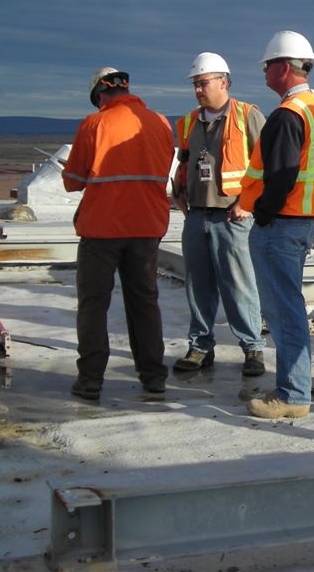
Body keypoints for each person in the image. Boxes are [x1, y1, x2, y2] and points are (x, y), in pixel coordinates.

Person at [236, 30, 314, 419]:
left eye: (267, 65)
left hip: (282, 224)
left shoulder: (288, 115)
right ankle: (295, 387)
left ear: (283, 67)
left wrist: (262, 212)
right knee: (287, 306)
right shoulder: (313, 107)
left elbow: (281, 175)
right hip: (300, 221)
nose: (264, 71)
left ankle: (293, 396)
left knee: (283, 310)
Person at [62, 67, 174, 401]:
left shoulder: (94, 124)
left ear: (100, 94)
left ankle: (91, 380)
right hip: (147, 228)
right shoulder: (160, 123)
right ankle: (153, 376)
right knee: (144, 302)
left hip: (102, 230)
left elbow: (73, 180)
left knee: (94, 304)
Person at [170, 52, 268, 376]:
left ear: (223, 82)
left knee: (239, 285)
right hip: (196, 216)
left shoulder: (247, 117)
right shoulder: (187, 123)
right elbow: (184, 162)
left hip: (232, 217)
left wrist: (247, 203)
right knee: (198, 286)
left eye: (204, 83)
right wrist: (178, 193)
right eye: (195, 84)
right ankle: (200, 347)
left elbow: (265, 165)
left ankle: (253, 348)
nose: (198, 89)